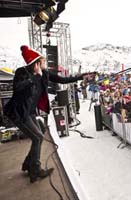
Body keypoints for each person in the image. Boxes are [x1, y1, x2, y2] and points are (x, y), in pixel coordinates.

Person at [3, 45, 93, 183]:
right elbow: (18, 89)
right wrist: (34, 77)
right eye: (43, 61)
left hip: (30, 112)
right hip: (18, 112)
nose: (45, 63)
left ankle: (28, 164)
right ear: (36, 63)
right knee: (38, 137)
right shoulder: (22, 72)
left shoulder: (44, 73)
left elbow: (61, 79)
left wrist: (80, 77)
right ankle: (35, 171)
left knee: (39, 133)